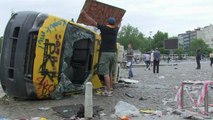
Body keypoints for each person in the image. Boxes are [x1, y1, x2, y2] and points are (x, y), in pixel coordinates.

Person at [81, 10, 120, 96]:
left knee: (105, 73)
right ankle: (110, 88)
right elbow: (119, 24)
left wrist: (85, 14)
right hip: (113, 54)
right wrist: (121, 19)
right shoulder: (116, 30)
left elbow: (93, 22)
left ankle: (108, 91)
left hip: (105, 53)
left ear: (107, 22)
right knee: (109, 72)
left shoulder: (104, 28)